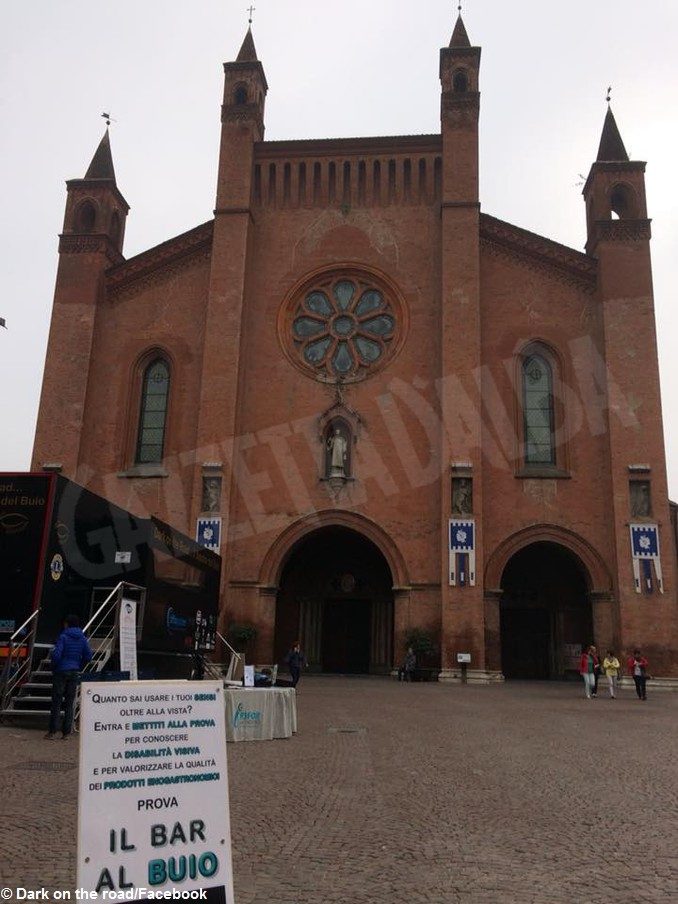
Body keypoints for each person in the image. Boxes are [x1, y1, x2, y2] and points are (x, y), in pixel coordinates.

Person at [45, 614, 93, 740]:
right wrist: (78, 665)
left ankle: (52, 731)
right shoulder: (83, 638)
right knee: (69, 703)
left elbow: (56, 655)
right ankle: (66, 733)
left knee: (56, 702)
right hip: (74, 671)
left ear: (67, 623)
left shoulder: (63, 636)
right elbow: (88, 656)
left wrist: (54, 666)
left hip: (61, 671)